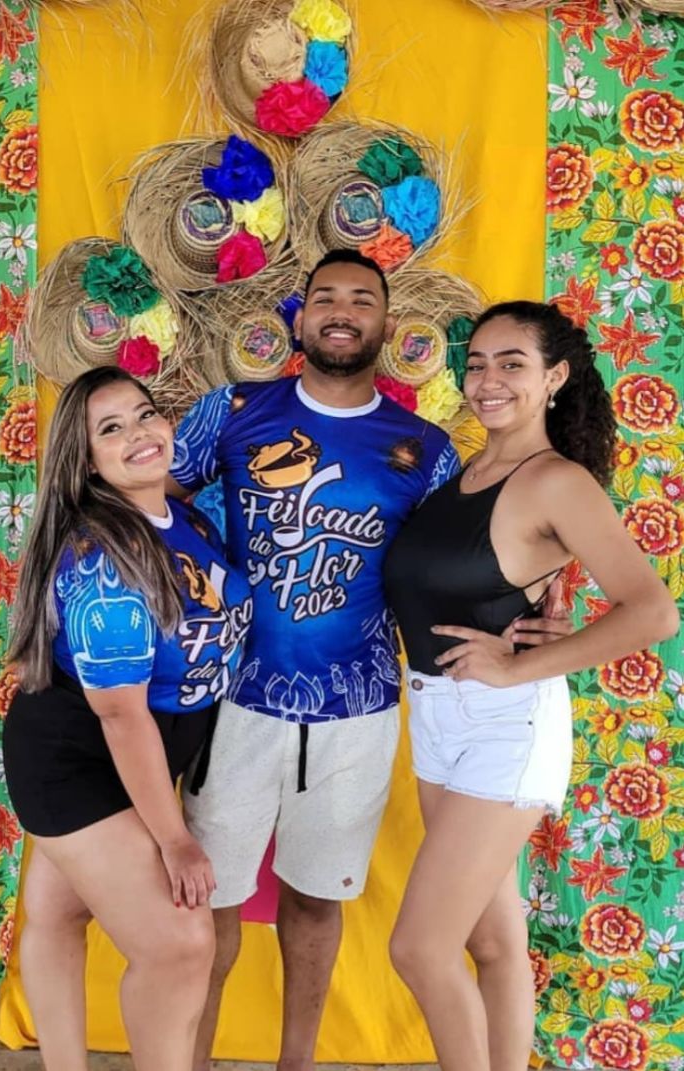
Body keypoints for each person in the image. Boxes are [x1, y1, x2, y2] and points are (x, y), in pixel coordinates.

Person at [167, 251, 565, 1071]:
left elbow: (465, 559)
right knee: (209, 908)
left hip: (358, 707)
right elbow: (146, 500)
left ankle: (296, 1063)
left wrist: (536, 608)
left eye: (361, 300)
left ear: (386, 324)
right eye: (325, 298)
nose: (341, 312)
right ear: (300, 317)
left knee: (316, 900)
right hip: (235, 701)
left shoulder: (426, 449)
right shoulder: (232, 410)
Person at [383, 301, 679, 1071]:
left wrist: (516, 665)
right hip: (437, 718)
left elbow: (652, 611)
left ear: (553, 377)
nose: (487, 380)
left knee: (419, 948)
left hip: (504, 725)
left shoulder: (554, 481)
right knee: (490, 940)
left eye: (511, 363)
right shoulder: (461, 473)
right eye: (476, 363)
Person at [3, 366, 252, 1071]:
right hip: (79, 756)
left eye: (145, 414)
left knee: (59, 913)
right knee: (181, 945)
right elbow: (120, 716)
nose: (139, 434)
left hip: (145, 748)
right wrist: (174, 840)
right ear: (86, 460)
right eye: (110, 429)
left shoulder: (186, 517)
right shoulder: (103, 559)